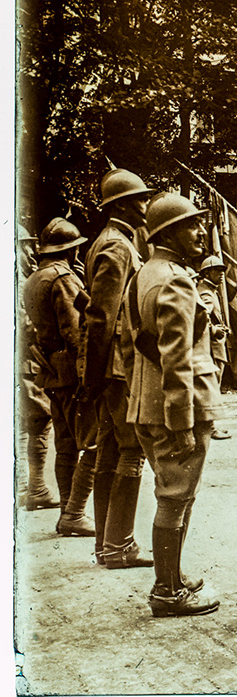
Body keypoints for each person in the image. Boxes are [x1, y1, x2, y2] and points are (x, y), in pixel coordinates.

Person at [126, 192, 219, 616]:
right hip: (177, 407)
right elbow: (176, 355)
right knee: (175, 496)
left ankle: (174, 577)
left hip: (147, 402)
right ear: (170, 233)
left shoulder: (144, 273)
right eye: (192, 226)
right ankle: (167, 592)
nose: (202, 233)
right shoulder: (177, 278)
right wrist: (181, 420)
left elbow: (138, 343)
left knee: (175, 494)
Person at [77, 169, 157, 557]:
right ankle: (119, 543)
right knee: (131, 448)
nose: (146, 205)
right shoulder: (117, 247)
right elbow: (101, 318)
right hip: (117, 366)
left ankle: (107, 541)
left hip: (111, 365)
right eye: (141, 199)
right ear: (123, 204)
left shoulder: (114, 242)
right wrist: (93, 377)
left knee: (111, 448)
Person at [23, 218, 90, 515]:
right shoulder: (63, 279)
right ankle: (74, 513)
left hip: (52, 369)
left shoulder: (33, 278)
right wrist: (88, 373)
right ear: (71, 250)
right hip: (73, 370)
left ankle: (67, 510)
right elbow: (75, 332)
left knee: (65, 444)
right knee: (92, 442)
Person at [195, 256, 234, 440]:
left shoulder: (209, 290)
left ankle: (210, 426)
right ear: (206, 272)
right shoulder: (206, 293)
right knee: (212, 388)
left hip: (213, 346)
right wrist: (214, 330)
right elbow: (202, 317)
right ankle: (209, 428)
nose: (221, 274)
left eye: (221, 270)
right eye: (217, 270)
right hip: (211, 347)